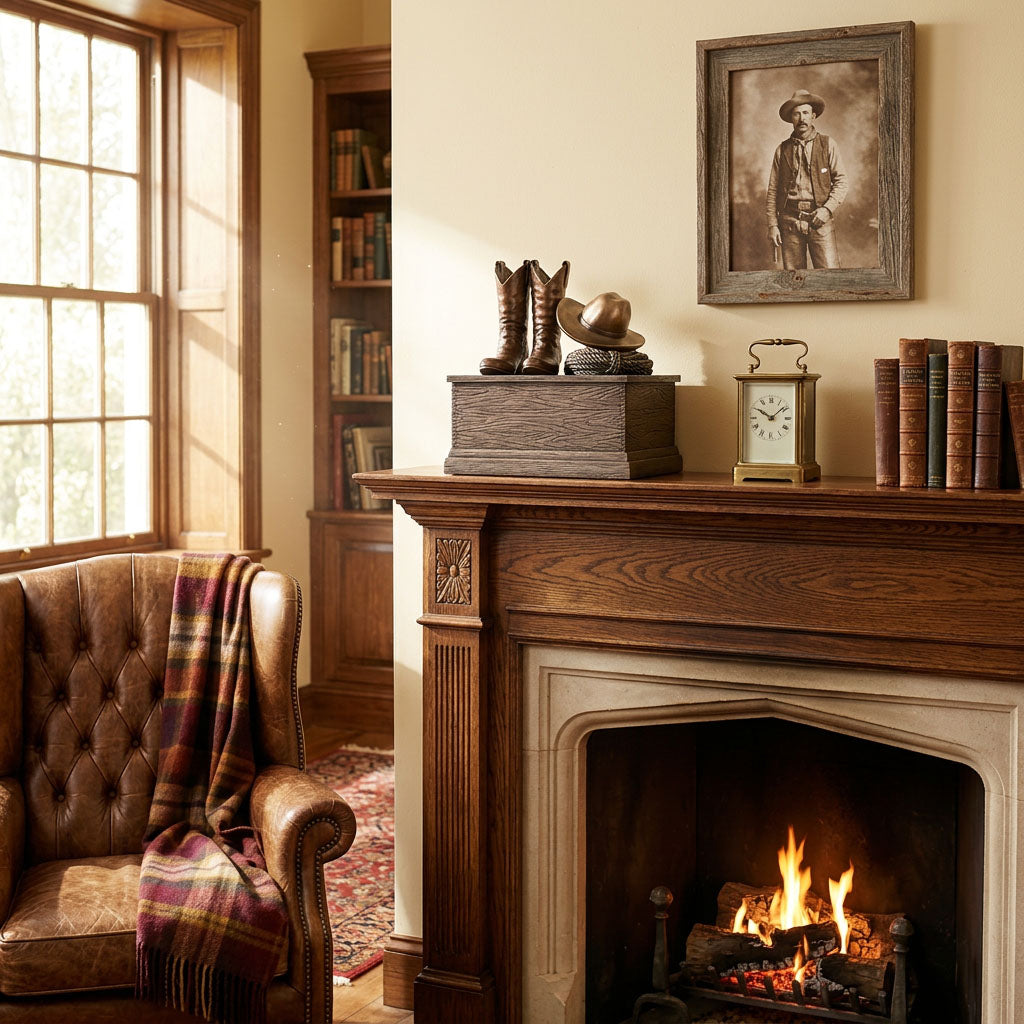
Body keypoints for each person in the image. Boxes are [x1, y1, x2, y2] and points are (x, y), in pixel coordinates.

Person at [766, 89, 849, 270]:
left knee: (831, 278)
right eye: (796, 114)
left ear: (813, 116)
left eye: (805, 113)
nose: (801, 118)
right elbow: (772, 190)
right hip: (789, 223)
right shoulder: (782, 150)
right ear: (791, 118)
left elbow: (842, 182)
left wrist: (826, 210)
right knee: (794, 281)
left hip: (820, 220)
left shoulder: (828, 144)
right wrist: (773, 225)